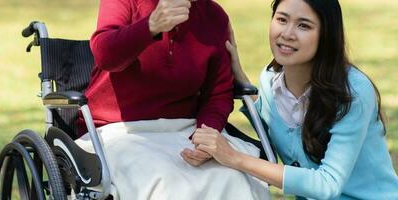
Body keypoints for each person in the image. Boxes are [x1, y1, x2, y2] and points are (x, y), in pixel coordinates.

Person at [185, 0, 398, 199]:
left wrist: (235, 158)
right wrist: (240, 77)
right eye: (282, 19)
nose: (288, 33)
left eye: (304, 25)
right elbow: (277, 132)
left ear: (326, 35)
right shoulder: (270, 79)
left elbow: (326, 185)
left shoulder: (353, 91)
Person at [75, 0, 270, 199]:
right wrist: (151, 26)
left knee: (234, 176)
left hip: (184, 131)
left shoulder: (213, 15)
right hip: (119, 130)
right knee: (165, 183)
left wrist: (205, 135)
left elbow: (217, 94)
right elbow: (106, 56)